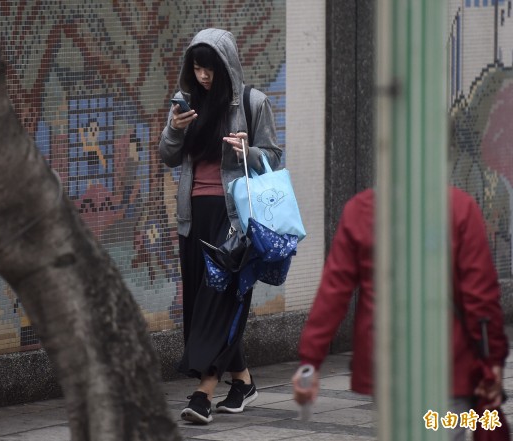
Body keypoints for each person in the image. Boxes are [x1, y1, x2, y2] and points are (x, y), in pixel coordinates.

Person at [292, 187, 509, 441]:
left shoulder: (362, 210)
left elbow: (334, 292)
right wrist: (492, 358)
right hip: (450, 361)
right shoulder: (459, 207)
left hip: (388, 364)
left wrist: (310, 361)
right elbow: (480, 296)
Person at [159, 28, 282, 424]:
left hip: (235, 220)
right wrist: (174, 129)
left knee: (218, 301)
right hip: (193, 218)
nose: (203, 76)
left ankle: (202, 394)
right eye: (197, 68)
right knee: (202, 305)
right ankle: (242, 381)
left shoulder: (252, 102)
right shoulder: (185, 102)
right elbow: (168, 157)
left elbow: (273, 159)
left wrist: (250, 150)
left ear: (227, 66)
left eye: (210, 69)